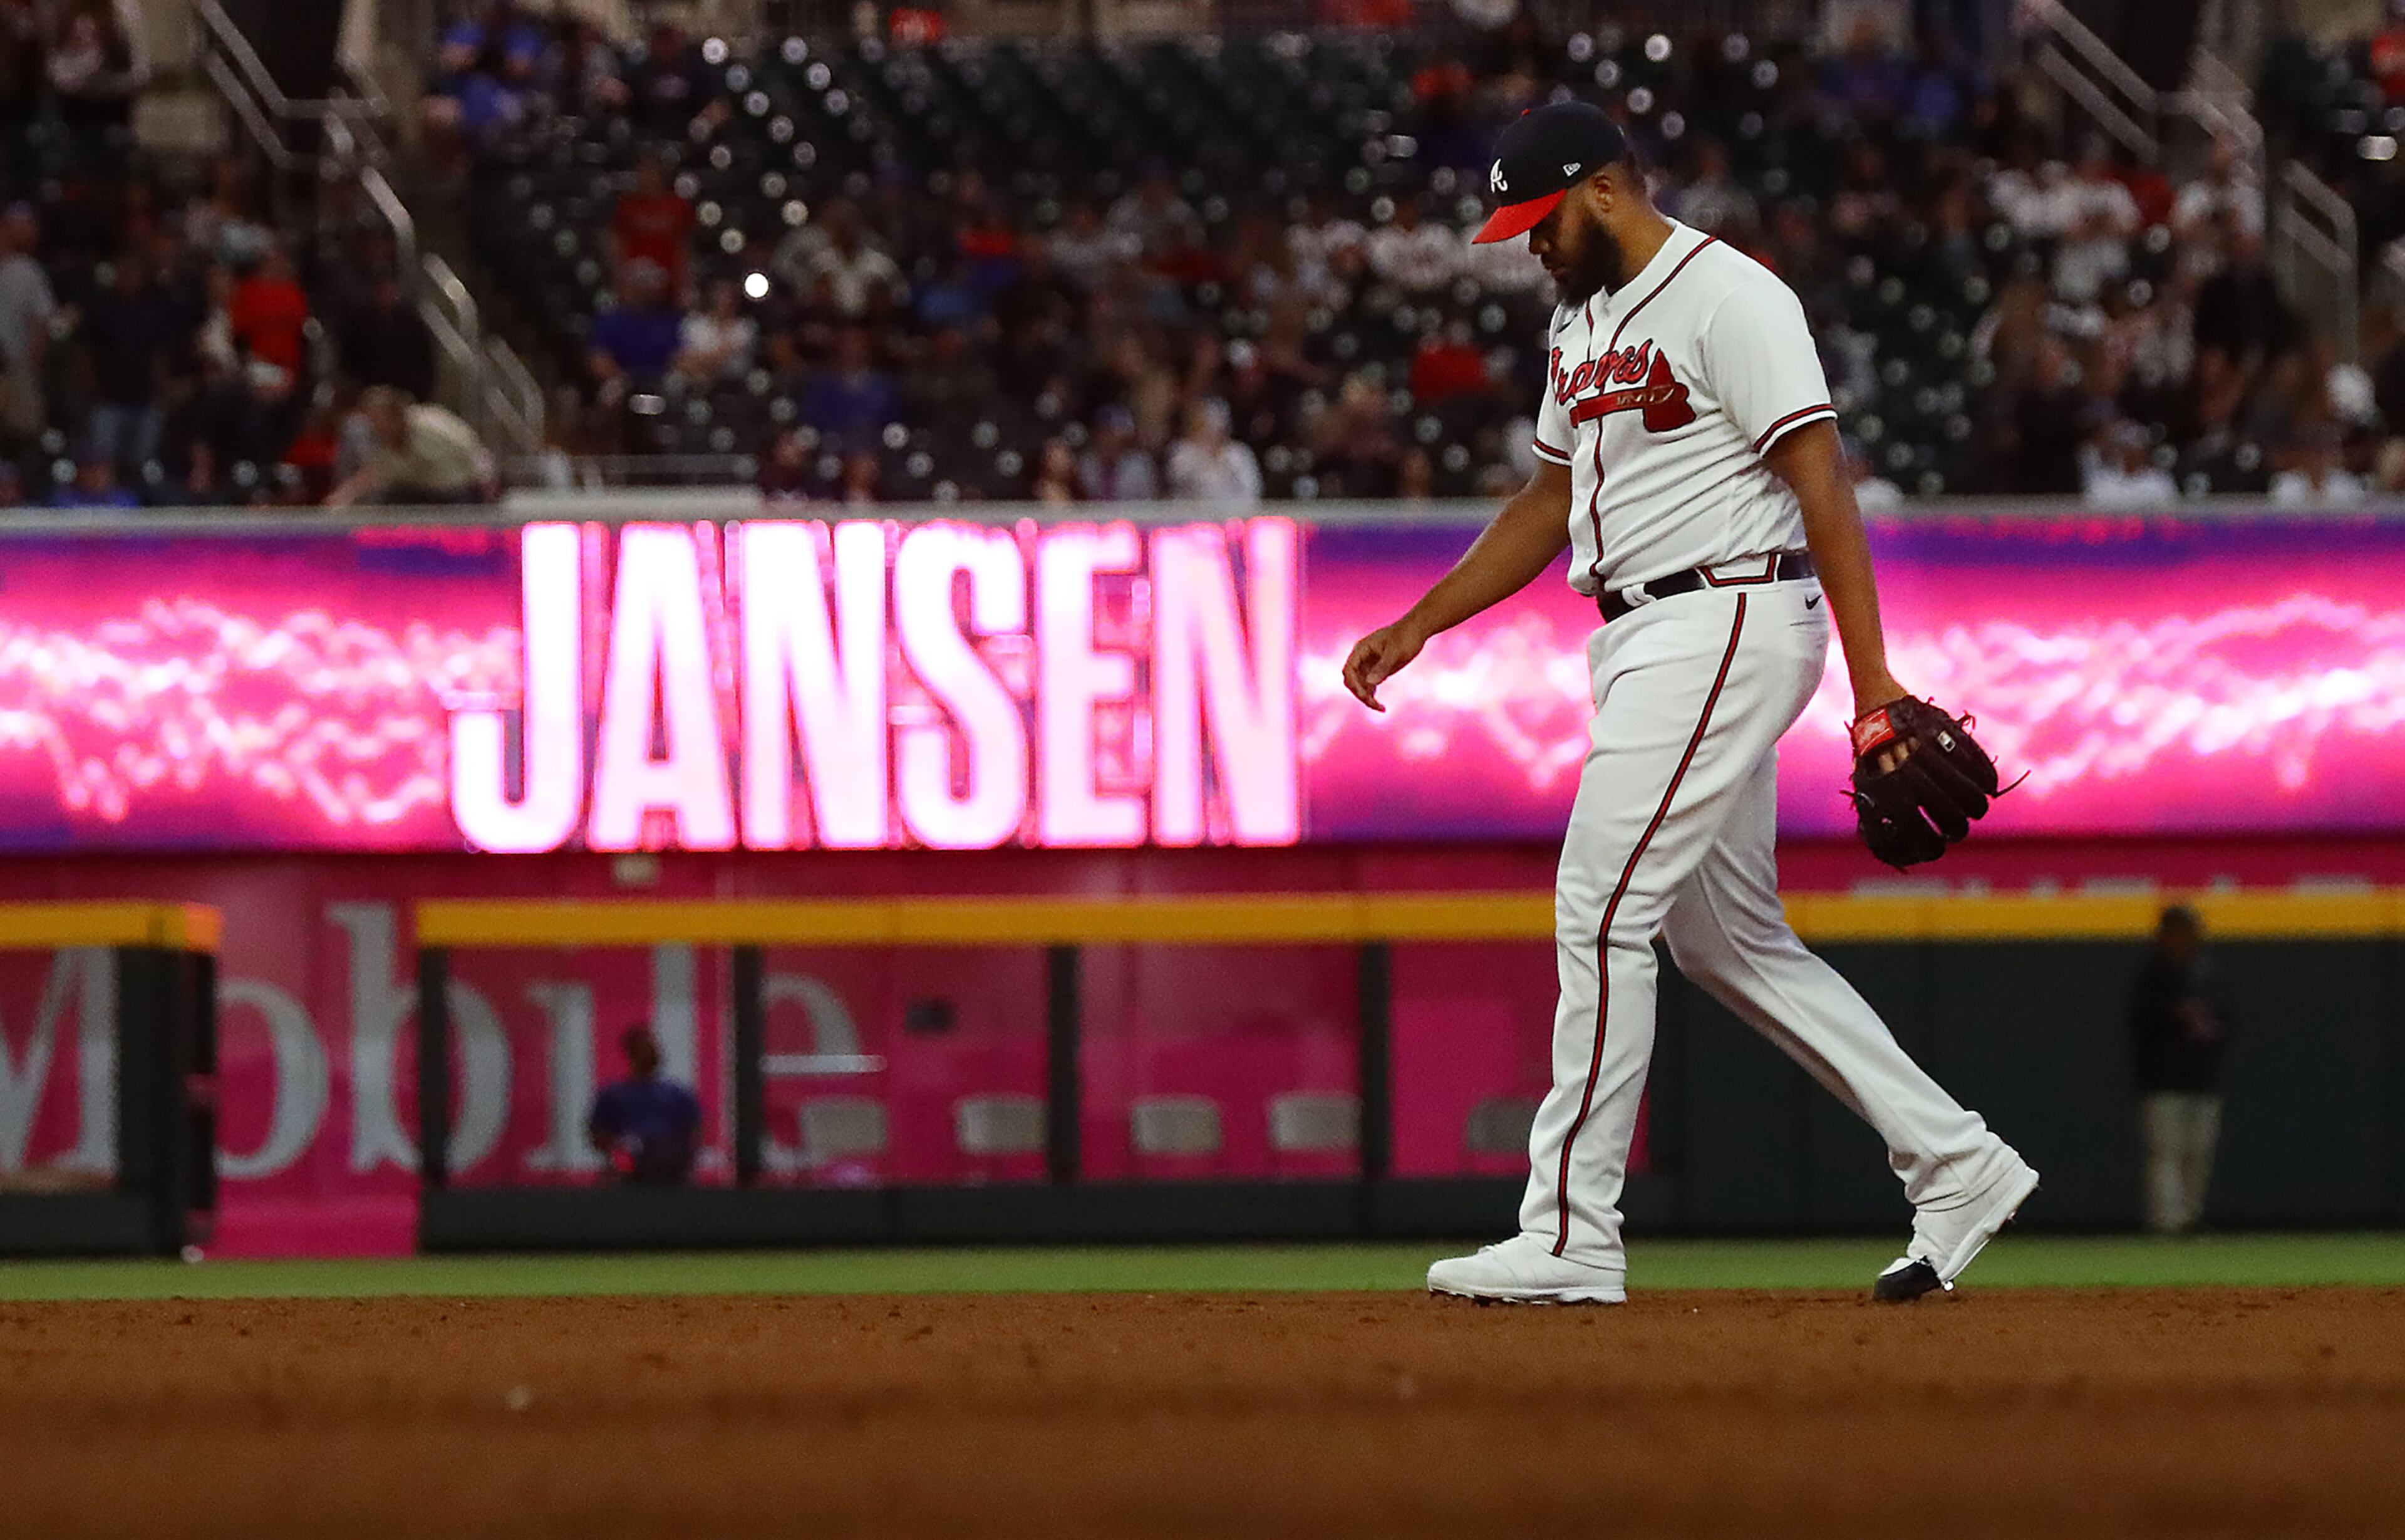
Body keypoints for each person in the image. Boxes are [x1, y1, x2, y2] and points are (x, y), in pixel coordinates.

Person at [1346, 101, 2035, 1306]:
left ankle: (1570, 1232)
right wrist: (1424, 619)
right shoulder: (1580, 325)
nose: (1530, 248)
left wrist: (1875, 689)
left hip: (1726, 612)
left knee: (1598, 902)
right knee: (1727, 939)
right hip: (1641, 632)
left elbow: (1823, 483)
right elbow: (1546, 501)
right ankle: (1957, 1158)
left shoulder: (1733, 296)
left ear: (1605, 191)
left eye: (1542, 221)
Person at [2128, 906, 2229, 1236]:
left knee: (2198, 1152)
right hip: (2163, 1080)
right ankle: (2166, 1222)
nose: (2185, 938)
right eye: (2178, 930)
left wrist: (2210, 1025)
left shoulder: (2208, 973)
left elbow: (2230, 1020)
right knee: (2166, 1152)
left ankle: (2191, 1217)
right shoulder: (2153, 975)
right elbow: (2140, 1023)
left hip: (2202, 1079)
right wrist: (2177, 1015)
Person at [323, 386, 493, 506]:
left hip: (458, 493)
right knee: (383, 500)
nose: (374, 426)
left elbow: (475, 452)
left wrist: (488, 486)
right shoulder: (379, 444)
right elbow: (372, 475)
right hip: (419, 496)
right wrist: (344, 496)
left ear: (395, 415)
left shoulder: (433, 425)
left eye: (378, 419)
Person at [587, 1025, 703, 1184]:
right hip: (628, 1167)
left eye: (654, 1046)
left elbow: (695, 1132)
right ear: (631, 1052)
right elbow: (598, 1136)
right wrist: (621, 1150)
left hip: (672, 1167)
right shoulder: (613, 1095)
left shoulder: (678, 1094)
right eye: (645, 1047)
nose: (652, 1052)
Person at [1165, 398, 1261, 504]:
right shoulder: (1183, 452)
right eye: (1205, 425)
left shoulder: (1239, 453)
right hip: (1191, 516)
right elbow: (1177, 481)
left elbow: (1252, 488)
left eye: (1216, 424)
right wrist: (1205, 458)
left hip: (1232, 516)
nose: (1211, 431)